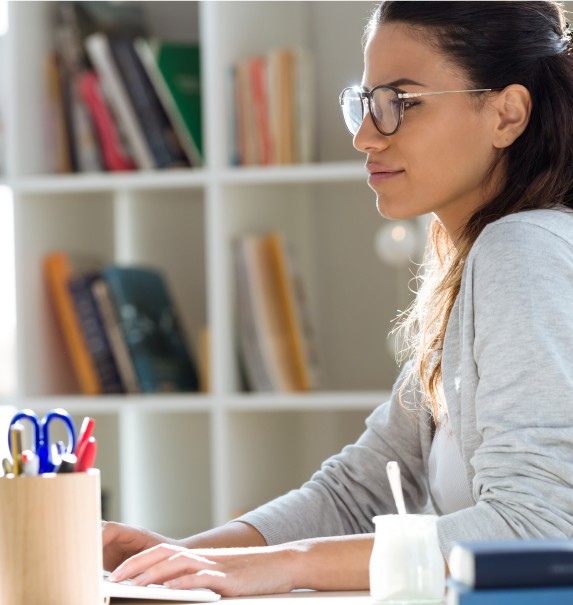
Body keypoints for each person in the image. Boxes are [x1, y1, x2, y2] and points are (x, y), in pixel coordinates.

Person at [102, 1, 573, 596]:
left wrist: (289, 564)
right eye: (367, 102)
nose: (364, 135)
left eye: (400, 104)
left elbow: (540, 530)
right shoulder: (478, 271)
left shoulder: (523, 250)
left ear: (507, 114)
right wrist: (174, 561)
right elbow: (355, 492)